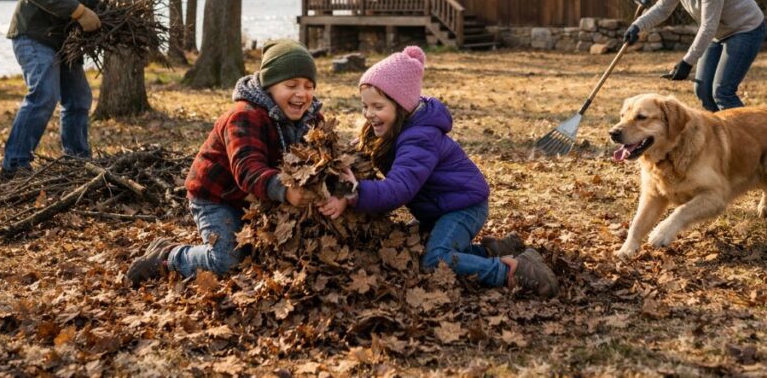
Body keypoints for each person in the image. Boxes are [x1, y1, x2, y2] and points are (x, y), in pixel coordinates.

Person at [317, 46, 559, 298]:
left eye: (377, 106)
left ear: (401, 106)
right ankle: (494, 250)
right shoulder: (390, 129)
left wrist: (353, 192)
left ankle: (510, 271)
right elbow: (360, 151)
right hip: (439, 207)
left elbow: (399, 189)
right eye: (364, 106)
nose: (369, 114)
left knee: (435, 260)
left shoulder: (419, 140)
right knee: (416, 246)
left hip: (463, 206)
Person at [126, 40, 321, 285]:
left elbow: (324, 157)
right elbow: (248, 169)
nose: (301, 93)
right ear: (269, 86)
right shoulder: (244, 115)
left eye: (308, 86)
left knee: (268, 253)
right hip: (217, 197)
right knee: (228, 261)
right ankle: (168, 256)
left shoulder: (311, 118)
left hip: (258, 198)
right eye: (291, 85)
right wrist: (286, 190)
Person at [1, 0, 135, 181]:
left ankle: (77, 162)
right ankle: (14, 166)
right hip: (34, 36)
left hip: (62, 43)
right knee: (44, 94)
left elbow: (89, 2)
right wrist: (79, 11)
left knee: (78, 99)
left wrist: (106, 15)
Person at [622, 0, 767, 111]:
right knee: (703, 91)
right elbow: (662, 9)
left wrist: (687, 62)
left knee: (722, 92)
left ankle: (747, 137)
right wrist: (637, 26)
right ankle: (720, 136)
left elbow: (708, 26)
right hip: (718, 33)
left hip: (745, 30)